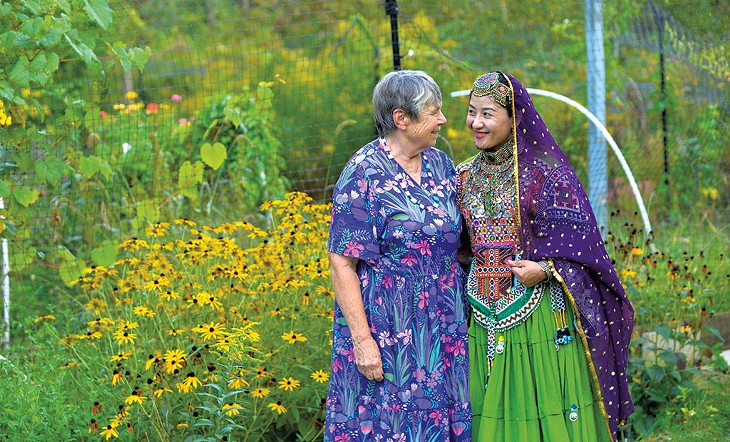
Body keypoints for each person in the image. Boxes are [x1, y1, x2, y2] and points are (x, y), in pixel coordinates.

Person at [456, 71, 634, 441]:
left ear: (514, 116)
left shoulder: (548, 175)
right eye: (472, 112)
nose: (476, 122)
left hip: (537, 317)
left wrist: (546, 268)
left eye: (487, 114)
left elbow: (582, 248)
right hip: (479, 315)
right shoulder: (461, 176)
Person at [325, 70, 471, 440]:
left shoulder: (441, 165)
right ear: (401, 119)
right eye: (433, 112)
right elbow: (342, 261)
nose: (443, 120)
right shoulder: (363, 173)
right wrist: (362, 340)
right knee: (389, 424)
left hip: (445, 319)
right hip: (390, 325)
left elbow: (463, 240)